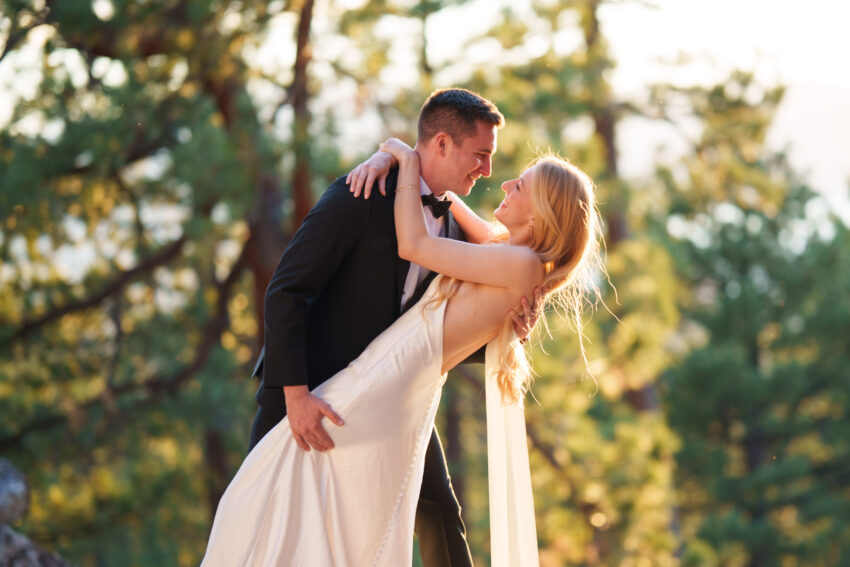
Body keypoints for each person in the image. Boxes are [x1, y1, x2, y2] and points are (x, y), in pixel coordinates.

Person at [201, 135, 603, 566]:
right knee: (307, 505)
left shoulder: (521, 265)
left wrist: (404, 160)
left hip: (387, 383)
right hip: (391, 378)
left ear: (542, 215)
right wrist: (391, 153)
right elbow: (451, 207)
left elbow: (414, 245)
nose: (502, 184)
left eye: (520, 186)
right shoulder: (507, 252)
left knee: (279, 499)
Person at [245, 88, 540, 567]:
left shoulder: (456, 229)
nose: (487, 171)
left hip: (395, 398)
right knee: (266, 523)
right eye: (481, 155)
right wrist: (295, 396)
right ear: (441, 143)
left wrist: (511, 330)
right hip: (310, 393)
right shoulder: (360, 194)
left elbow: (436, 334)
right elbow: (286, 292)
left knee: (440, 515)